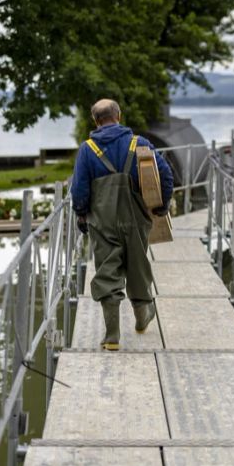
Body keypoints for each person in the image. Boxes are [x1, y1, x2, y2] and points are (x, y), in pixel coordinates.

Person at [71, 98, 175, 350]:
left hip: (102, 221)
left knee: (107, 269)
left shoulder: (87, 149)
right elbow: (166, 174)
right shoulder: (138, 143)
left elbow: (79, 189)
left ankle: (112, 336)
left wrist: (82, 214)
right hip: (136, 217)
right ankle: (142, 317)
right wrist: (162, 206)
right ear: (119, 115)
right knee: (138, 264)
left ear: (96, 121)